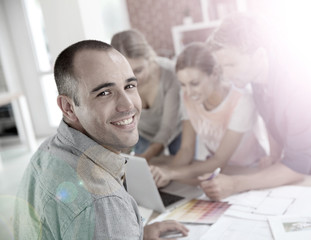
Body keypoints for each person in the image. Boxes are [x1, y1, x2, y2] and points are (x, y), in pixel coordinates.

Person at [13, 40, 188, 239]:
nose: (128, 104)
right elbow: (101, 215)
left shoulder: (48, 151)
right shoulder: (104, 201)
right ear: (68, 107)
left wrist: (135, 233)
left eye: (130, 85)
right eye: (104, 93)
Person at [199, 12, 311, 201]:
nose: (225, 76)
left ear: (259, 55)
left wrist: (235, 184)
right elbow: (270, 117)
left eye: (231, 65)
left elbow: (297, 166)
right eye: (222, 67)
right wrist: (274, 155)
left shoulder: (300, 84)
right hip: (308, 171)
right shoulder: (256, 78)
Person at [150, 42, 266, 188]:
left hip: (248, 171)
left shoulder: (241, 100)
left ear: (215, 74)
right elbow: (186, 150)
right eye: (183, 84)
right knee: (160, 166)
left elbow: (219, 160)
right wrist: (164, 173)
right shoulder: (188, 97)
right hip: (214, 169)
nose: (189, 92)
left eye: (194, 83)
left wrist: (171, 174)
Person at [111, 29, 182, 161]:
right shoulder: (113, 81)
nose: (133, 78)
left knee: (180, 169)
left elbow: (167, 128)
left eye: (138, 70)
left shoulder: (170, 73)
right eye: (127, 72)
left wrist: (145, 158)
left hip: (175, 129)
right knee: (144, 174)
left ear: (149, 58)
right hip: (143, 133)